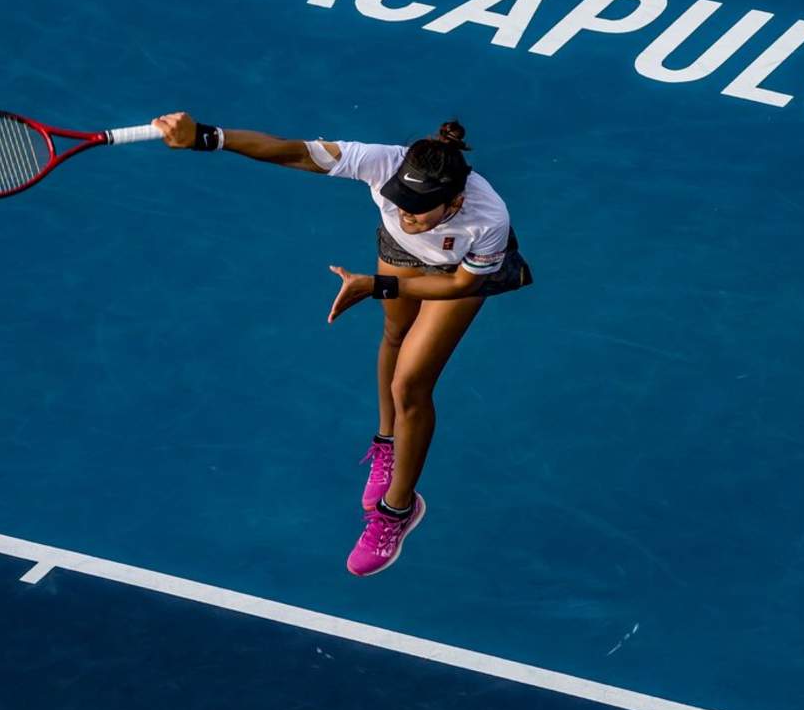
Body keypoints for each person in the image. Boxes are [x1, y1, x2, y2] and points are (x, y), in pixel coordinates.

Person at [152, 112, 533, 576]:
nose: (404, 211)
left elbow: (459, 285)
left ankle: (398, 509)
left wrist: (377, 286)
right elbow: (293, 151)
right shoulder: (383, 162)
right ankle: (388, 442)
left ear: (454, 203)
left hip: (457, 274)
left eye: (418, 207)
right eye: (401, 199)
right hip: (401, 254)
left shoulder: (488, 219)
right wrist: (207, 137)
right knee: (394, 335)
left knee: (410, 385)